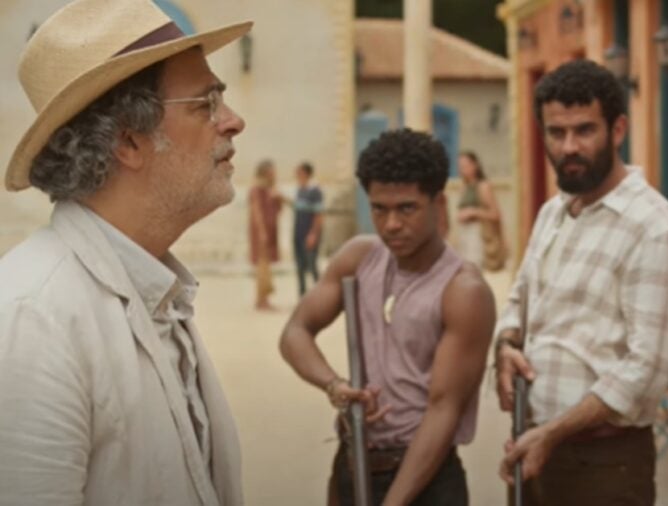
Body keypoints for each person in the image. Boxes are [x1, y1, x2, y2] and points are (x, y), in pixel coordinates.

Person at [0, 0, 250, 504]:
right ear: (129, 141)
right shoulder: (32, 317)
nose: (233, 121)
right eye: (206, 104)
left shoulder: (154, 288)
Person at [493, 59, 668, 506]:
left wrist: (553, 432)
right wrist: (506, 344)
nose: (569, 147)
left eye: (584, 130)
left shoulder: (653, 228)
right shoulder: (553, 212)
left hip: (605, 463)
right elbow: (519, 297)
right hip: (533, 445)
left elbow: (647, 369)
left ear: (617, 129)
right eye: (556, 132)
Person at [279, 128, 496, 506]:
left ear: (438, 206)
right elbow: (295, 331)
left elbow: (444, 410)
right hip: (354, 462)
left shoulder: (464, 291)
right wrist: (334, 386)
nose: (391, 223)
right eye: (380, 209)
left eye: (406, 208)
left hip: (425, 477)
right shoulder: (359, 258)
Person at [455, 151, 506, 271]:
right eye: (460, 167)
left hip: (479, 236)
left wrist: (474, 212)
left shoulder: (483, 186)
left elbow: (496, 214)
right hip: (464, 235)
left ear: (475, 165)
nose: (462, 170)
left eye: (465, 166)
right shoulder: (464, 187)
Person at [249, 159, 283, 310]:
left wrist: (278, 198)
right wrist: (262, 232)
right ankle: (262, 300)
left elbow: (279, 211)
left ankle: (263, 299)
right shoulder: (256, 190)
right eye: (271, 172)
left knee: (266, 266)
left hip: (271, 232)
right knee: (263, 267)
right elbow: (256, 212)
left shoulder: (272, 190)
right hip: (262, 234)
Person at [292, 161, 324, 296]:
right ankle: (302, 296)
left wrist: (313, 235)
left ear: (305, 173)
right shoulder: (300, 190)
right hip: (298, 233)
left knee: (312, 265)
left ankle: (320, 295)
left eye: (299, 172)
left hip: (309, 234)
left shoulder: (315, 191)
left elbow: (319, 215)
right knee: (300, 266)